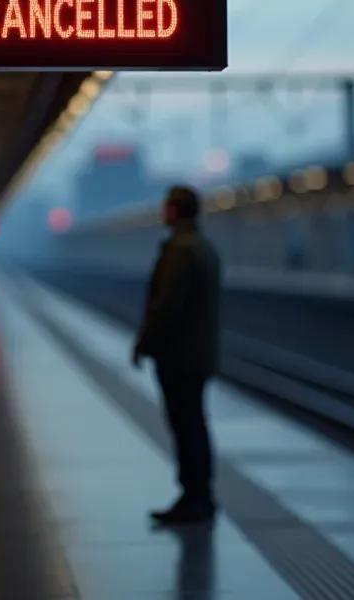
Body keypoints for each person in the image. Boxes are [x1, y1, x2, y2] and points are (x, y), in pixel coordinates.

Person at [132, 186, 221, 525]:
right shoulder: (205, 248)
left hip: (179, 356)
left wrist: (144, 342)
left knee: (185, 426)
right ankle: (202, 495)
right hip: (199, 353)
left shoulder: (180, 251)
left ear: (173, 210)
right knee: (196, 423)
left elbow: (166, 305)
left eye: (165, 206)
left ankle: (193, 498)